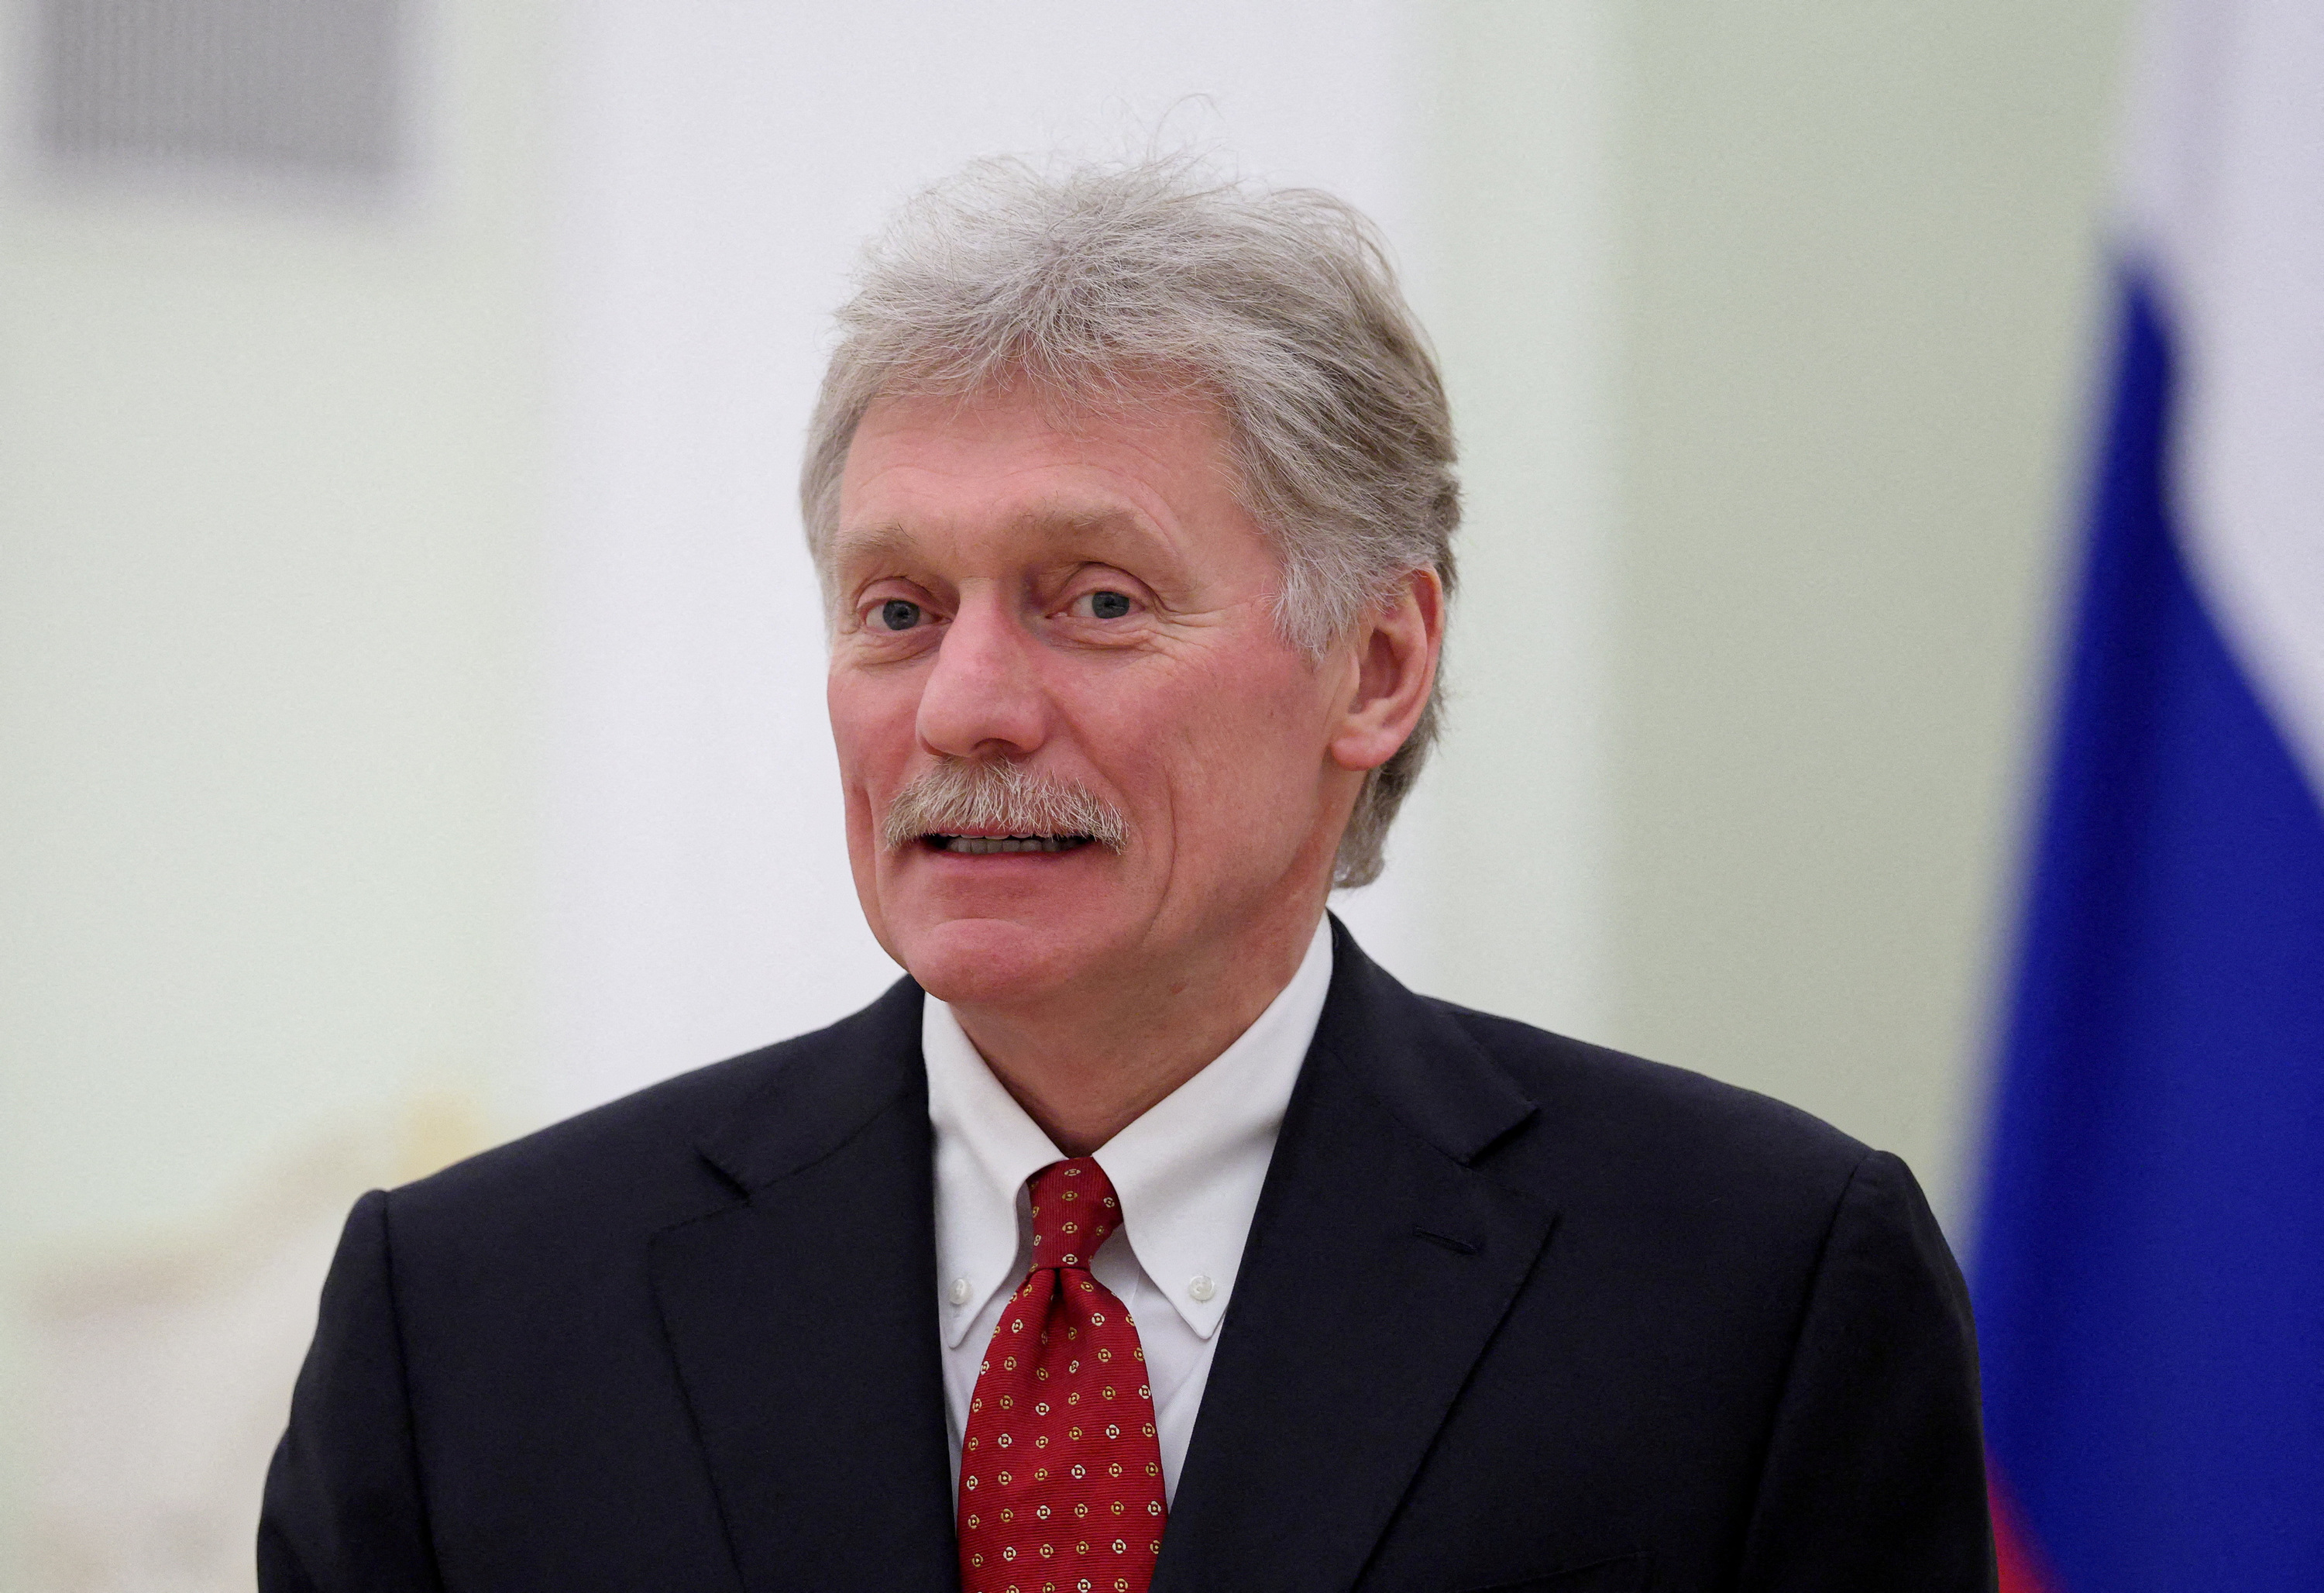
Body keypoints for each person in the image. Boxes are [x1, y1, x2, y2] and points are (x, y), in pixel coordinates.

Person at [260, 158, 1994, 1593]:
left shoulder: (1758, 1291)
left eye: (1095, 600)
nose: (965, 706)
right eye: (897, 609)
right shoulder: (471, 1317)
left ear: (1377, 664)